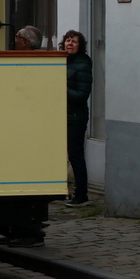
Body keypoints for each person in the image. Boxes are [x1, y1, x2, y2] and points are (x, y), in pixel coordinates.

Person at [62, 30, 93, 207]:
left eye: (74, 42)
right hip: (61, 115)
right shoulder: (63, 61)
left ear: (80, 46)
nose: (70, 44)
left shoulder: (83, 64)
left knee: (76, 156)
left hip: (75, 117)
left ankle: (82, 194)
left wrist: (60, 87)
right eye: (67, 41)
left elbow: (82, 95)